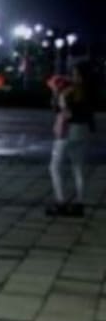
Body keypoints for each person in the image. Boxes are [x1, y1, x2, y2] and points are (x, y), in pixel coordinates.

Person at [48, 63, 95, 217]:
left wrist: (58, 94)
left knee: (55, 167)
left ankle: (60, 202)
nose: (72, 77)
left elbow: (64, 112)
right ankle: (79, 203)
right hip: (83, 131)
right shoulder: (90, 91)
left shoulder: (71, 91)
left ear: (79, 76)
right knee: (78, 168)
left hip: (68, 131)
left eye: (75, 74)